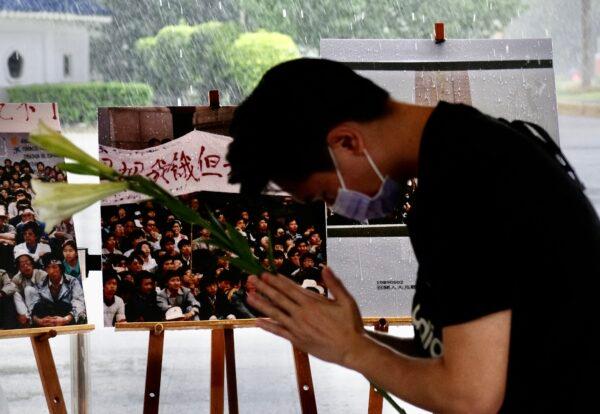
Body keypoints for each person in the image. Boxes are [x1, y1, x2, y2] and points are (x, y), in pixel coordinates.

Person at [225, 58, 600, 412]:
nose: (335, 206)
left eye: (324, 193)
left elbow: (470, 396)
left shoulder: (463, 185)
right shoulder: (467, 147)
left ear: (346, 142)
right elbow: (447, 356)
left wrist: (352, 349)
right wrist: (350, 337)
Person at [30, 255, 86, 327]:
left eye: (54, 267)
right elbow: (34, 307)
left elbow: (79, 302)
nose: (51, 271)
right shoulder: (40, 284)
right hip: (47, 320)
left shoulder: (73, 281)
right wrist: (39, 321)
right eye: (48, 268)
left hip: (68, 317)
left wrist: (66, 319)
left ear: (61, 268)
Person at [11, 253, 47, 327]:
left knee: (28, 289)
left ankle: (32, 318)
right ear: (19, 269)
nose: (26, 267)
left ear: (32, 264)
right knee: (14, 293)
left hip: (41, 303)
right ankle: (27, 317)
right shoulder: (16, 278)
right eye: (22, 266)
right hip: (26, 306)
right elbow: (18, 299)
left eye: (28, 263)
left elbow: (47, 294)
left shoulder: (42, 274)